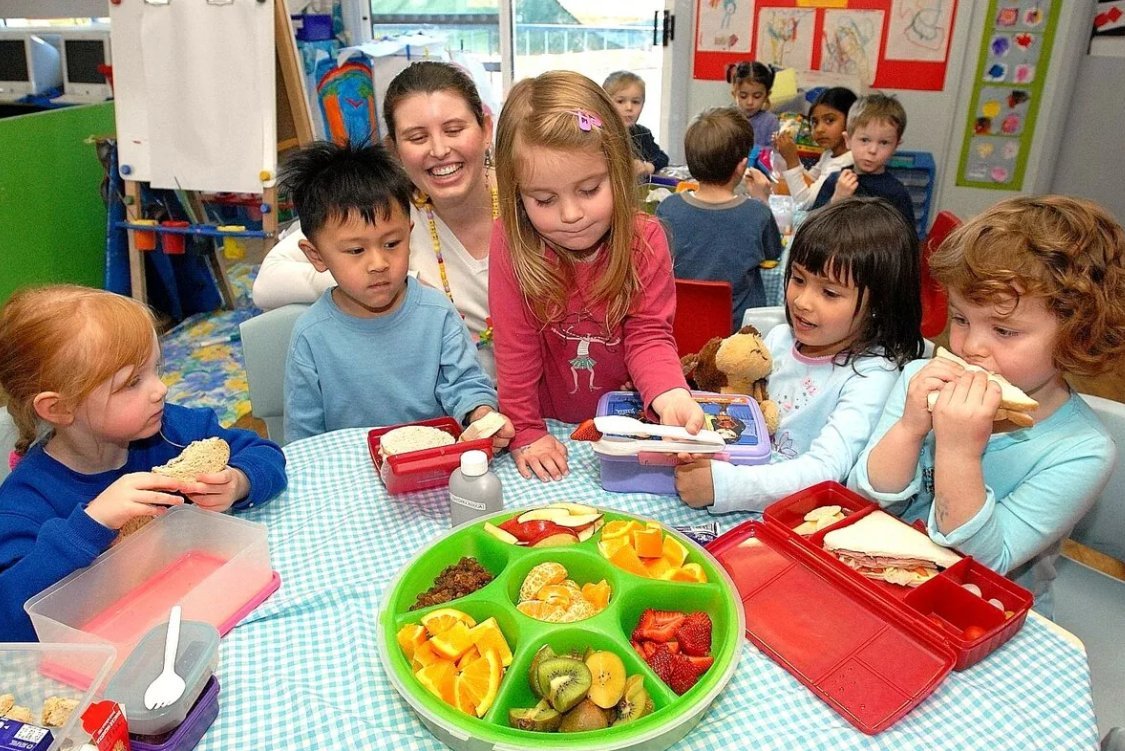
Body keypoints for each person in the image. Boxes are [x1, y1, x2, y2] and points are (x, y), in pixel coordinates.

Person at [849, 196, 1125, 612]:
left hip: (987, 610)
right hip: (883, 577)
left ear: (1078, 336)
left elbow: (988, 562)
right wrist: (909, 429)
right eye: (961, 319)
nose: (971, 346)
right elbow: (866, 496)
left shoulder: (1082, 450)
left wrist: (959, 452)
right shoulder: (919, 381)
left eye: (1004, 330)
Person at [0, 285, 287, 641]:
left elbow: (265, 453)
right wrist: (92, 523)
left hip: (208, 606)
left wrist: (238, 482)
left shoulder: (171, 430)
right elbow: (9, 620)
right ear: (59, 408)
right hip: (115, 648)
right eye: (133, 382)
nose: (160, 390)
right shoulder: (25, 502)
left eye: (156, 369)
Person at [490, 70, 704, 482]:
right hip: (549, 426)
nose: (571, 215)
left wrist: (669, 392)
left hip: (623, 421)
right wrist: (528, 430)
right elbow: (514, 347)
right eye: (544, 199)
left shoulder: (646, 240)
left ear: (620, 172)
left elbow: (649, 334)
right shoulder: (510, 242)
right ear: (517, 194)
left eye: (589, 190)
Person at [253, 61, 500, 379]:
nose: (439, 150)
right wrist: (389, 280)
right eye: (416, 137)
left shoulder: (536, 202)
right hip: (442, 404)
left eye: (454, 130)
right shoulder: (384, 215)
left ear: (486, 129)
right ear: (394, 149)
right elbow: (268, 282)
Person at [675, 198, 923, 513]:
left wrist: (725, 486)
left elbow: (827, 471)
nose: (802, 301)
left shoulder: (873, 375)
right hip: (745, 483)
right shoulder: (779, 338)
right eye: (798, 279)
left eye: (829, 293)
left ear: (879, 304)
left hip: (799, 516)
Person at [281, 140, 512, 446]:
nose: (378, 264)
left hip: (433, 465)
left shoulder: (437, 313)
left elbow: (466, 385)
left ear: (409, 236)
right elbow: (303, 438)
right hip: (351, 475)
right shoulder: (311, 335)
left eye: (392, 244)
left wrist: (481, 415)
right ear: (316, 256)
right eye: (355, 250)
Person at [655, 107, 782, 332]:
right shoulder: (757, 213)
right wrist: (762, 199)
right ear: (742, 166)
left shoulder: (668, 209)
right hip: (737, 339)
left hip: (675, 329)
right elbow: (773, 256)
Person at [810, 94, 915, 232]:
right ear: (848, 140)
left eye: (884, 142)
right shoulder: (835, 181)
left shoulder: (896, 193)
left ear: (895, 146)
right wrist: (836, 200)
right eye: (865, 140)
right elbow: (811, 229)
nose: (872, 150)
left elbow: (908, 243)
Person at [773, 86, 857, 209]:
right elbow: (810, 181)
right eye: (815, 122)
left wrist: (792, 160)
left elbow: (805, 202)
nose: (819, 129)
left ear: (851, 121)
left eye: (829, 120)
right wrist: (786, 153)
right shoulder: (829, 153)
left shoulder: (846, 163)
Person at [602, 70, 669, 178]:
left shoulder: (642, 134)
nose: (629, 108)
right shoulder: (598, 135)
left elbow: (662, 157)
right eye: (620, 101)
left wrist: (647, 167)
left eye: (635, 102)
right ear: (605, 103)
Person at [726, 61, 779, 156]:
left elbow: (773, 155)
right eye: (743, 96)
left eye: (757, 96)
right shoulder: (726, 118)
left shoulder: (770, 122)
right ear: (734, 94)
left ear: (767, 95)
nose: (750, 102)